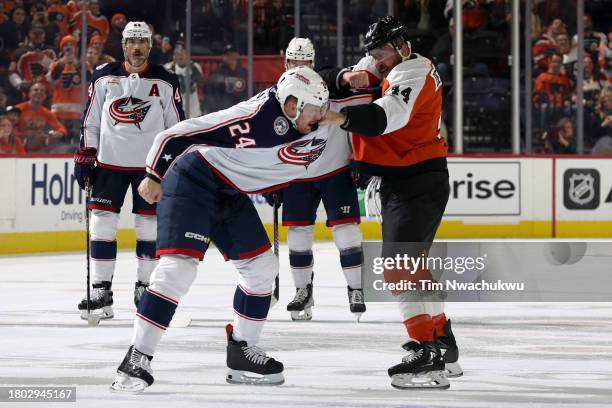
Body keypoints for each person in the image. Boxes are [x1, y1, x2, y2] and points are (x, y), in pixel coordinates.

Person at [110, 66, 331, 392]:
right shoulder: (253, 114)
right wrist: (154, 174)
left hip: (228, 190)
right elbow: (177, 134)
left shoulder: (312, 125)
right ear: (293, 103)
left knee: (262, 269)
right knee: (177, 270)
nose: (321, 116)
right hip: (194, 177)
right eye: (315, 109)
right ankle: (136, 357)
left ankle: (242, 351)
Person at [320, 16, 461, 389]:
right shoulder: (389, 62)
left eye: (382, 54)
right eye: (374, 55)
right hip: (409, 179)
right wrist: (346, 77)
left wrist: (337, 116)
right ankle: (441, 339)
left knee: (398, 268)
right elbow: (328, 75)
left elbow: (386, 118)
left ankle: (425, 351)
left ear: (400, 47)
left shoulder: (412, 70)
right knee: (412, 267)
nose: (376, 62)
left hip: (417, 180)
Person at [74, 21, 185, 321]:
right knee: (101, 225)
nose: (137, 47)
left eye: (142, 41)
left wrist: (170, 164)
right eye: (131, 41)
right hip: (109, 165)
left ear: (150, 45)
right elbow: (91, 120)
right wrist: (86, 153)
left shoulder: (165, 80)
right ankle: (101, 290)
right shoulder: (102, 77)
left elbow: (176, 128)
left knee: (147, 228)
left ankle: (144, 287)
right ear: (123, 45)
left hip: (148, 170)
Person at [267, 37, 369, 321]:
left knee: (347, 231)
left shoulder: (332, 92)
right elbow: (268, 143)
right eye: (294, 62)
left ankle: (356, 288)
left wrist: (362, 158)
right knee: (298, 235)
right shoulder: (276, 100)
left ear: (314, 63)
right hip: (297, 176)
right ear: (285, 62)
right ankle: (303, 291)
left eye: (305, 62)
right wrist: (270, 178)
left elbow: (366, 114)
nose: (299, 67)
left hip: (335, 172)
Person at [46, 35, 91, 145]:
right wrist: (61, 64)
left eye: (72, 45)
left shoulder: (84, 65)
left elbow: (90, 79)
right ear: (62, 48)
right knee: (58, 146)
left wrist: (77, 65)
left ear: (76, 48)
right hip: (59, 114)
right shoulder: (56, 65)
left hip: (78, 114)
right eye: (66, 45)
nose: (69, 47)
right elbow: (50, 79)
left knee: (77, 146)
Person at [14, 81, 67, 152]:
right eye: (36, 90)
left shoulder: (47, 113)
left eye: (42, 91)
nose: (39, 92)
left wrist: (56, 134)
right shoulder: (18, 109)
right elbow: (7, 127)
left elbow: (62, 129)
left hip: (38, 146)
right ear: (29, 94)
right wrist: (23, 134)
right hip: (18, 144)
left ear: (45, 96)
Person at [164, 42, 204, 118]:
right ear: (174, 55)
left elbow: (201, 83)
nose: (180, 56)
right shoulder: (168, 68)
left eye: (183, 53)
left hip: (193, 112)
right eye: (178, 53)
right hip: (175, 113)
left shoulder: (195, 67)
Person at [204, 44, 248, 112]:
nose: (230, 57)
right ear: (223, 57)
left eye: (232, 54)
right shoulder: (216, 74)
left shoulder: (244, 73)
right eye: (227, 54)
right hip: (224, 112)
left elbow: (251, 92)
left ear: (237, 55)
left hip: (241, 111)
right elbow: (209, 94)